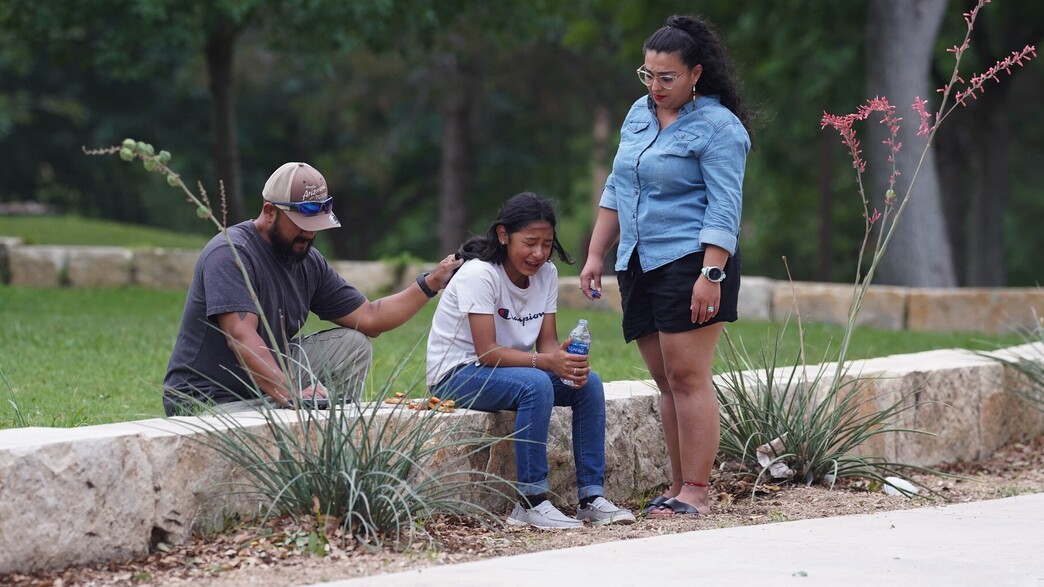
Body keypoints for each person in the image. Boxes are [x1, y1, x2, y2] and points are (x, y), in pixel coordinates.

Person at [579, 14, 753, 517]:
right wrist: (596, 254)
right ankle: (678, 487)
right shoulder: (640, 113)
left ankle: (696, 491)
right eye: (648, 75)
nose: (655, 87)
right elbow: (617, 186)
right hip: (638, 260)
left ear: (696, 73)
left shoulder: (720, 128)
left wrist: (711, 274)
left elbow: (725, 207)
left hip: (691, 262)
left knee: (687, 376)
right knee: (664, 379)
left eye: (667, 77)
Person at [163, 161, 460, 415]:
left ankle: (325, 443)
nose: (309, 232)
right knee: (280, 402)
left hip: (265, 385)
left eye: (316, 222)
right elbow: (241, 338)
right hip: (208, 399)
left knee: (353, 344)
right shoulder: (230, 253)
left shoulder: (306, 259)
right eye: (300, 222)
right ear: (269, 211)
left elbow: (370, 318)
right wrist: (291, 393)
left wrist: (431, 282)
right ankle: (289, 415)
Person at [426, 192, 636, 529]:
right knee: (536, 384)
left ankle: (591, 499)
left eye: (546, 244)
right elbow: (487, 352)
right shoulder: (480, 274)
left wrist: (563, 358)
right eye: (530, 242)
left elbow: (547, 343)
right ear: (503, 235)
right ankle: (530, 502)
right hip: (457, 374)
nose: (538, 254)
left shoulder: (547, 274)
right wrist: (546, 363)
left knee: (588, 384)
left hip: (513, 371)